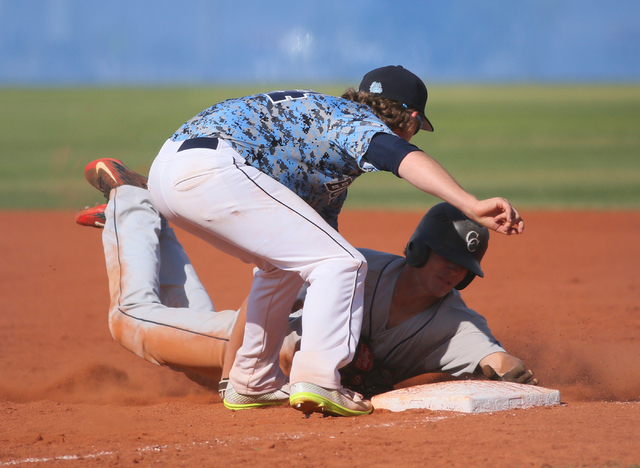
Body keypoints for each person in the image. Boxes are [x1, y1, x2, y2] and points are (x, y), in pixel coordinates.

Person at [85, 65, 525, 417]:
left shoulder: (325, 134)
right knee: (344, 263)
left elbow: (308, 254)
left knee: (292, 263)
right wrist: (469, 202)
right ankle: (318, 378)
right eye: (415, 126)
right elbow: (398, 157)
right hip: (213, 167)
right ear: (410, 118)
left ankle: (251, 380)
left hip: (175, 168)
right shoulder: (353, 121)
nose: (410, 135)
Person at [75, 180, 535, 415]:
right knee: (129, 321)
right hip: (265, 347)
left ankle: (149, 220)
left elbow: (495, 358)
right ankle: (132, 199)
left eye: (463, 267)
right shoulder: (358, 264)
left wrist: (512, 373)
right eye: (447, 257)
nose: (454, 270)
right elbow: (272, 284)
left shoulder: (453, 324)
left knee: (184, 322)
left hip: (260, 361)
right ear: (419, 248)